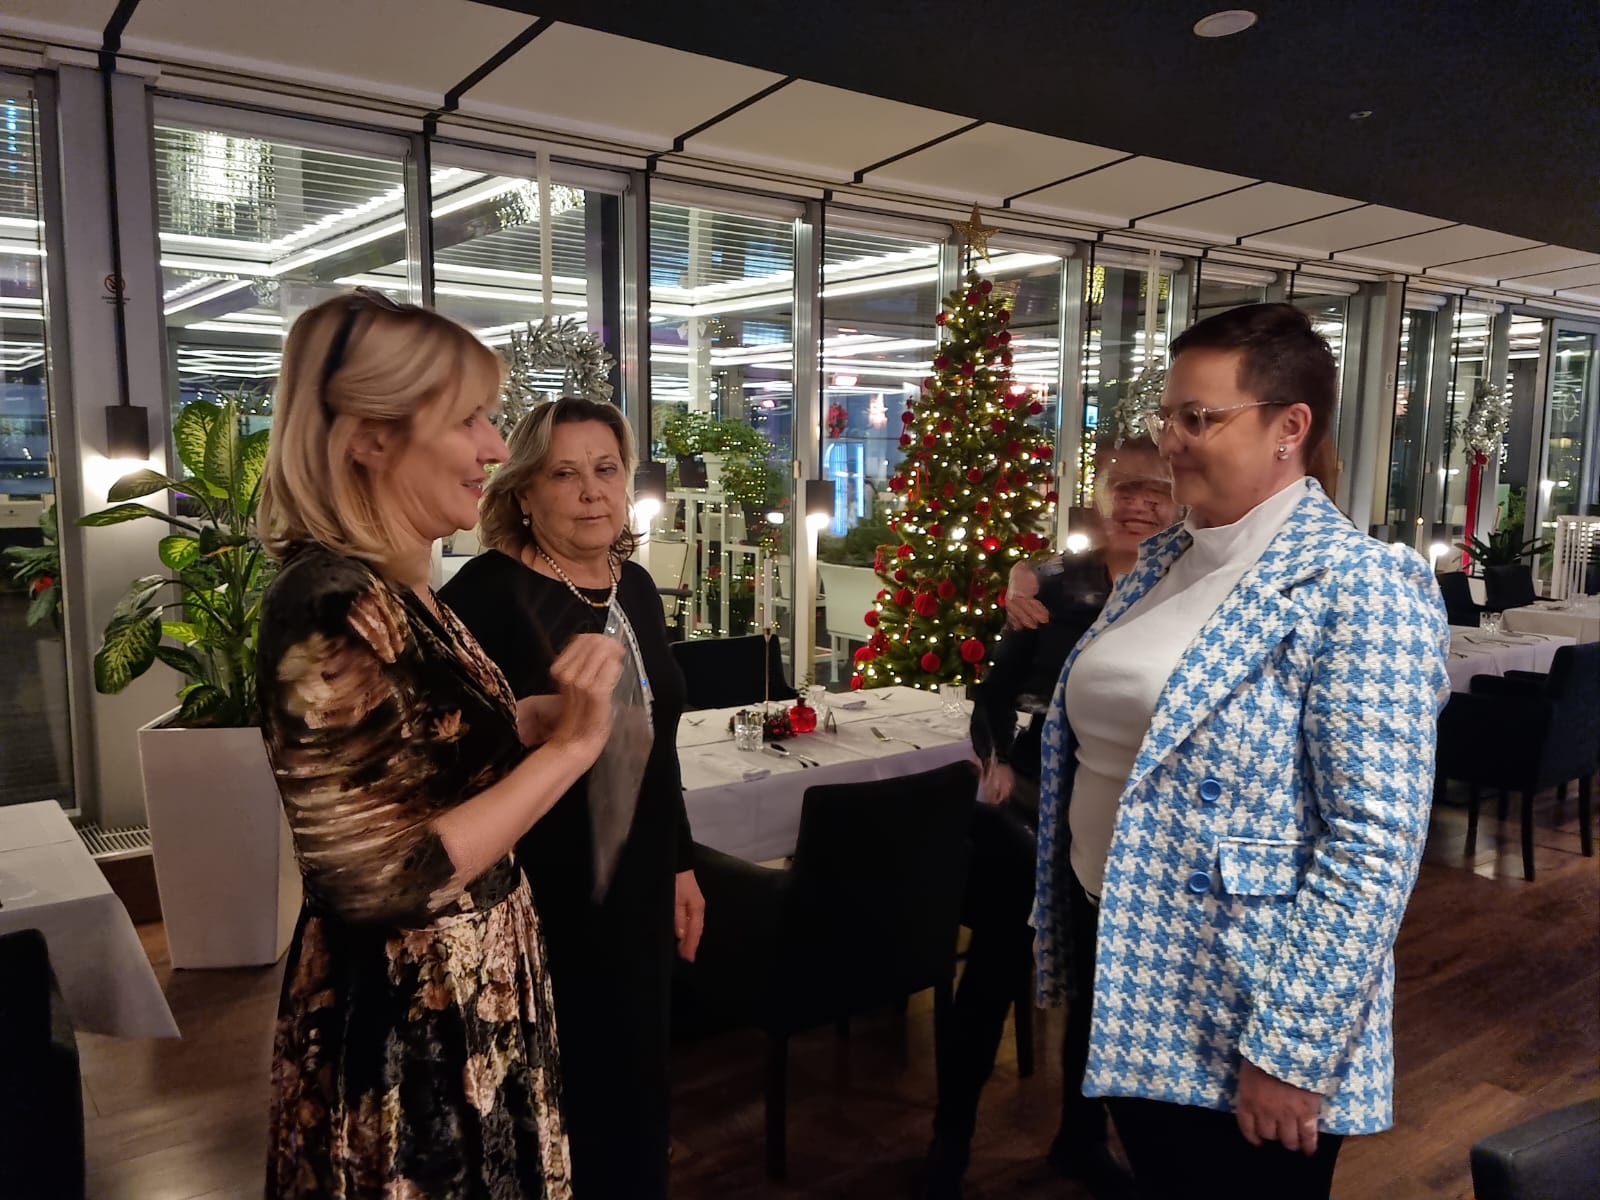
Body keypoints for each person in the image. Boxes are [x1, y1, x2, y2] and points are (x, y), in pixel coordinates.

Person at [1034, 303, 1451, 1200]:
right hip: (1129, 952)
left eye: (1199, 417)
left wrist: (1291, 1051)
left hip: (1245, 994)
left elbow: (1374, 842)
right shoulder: (1164, 561)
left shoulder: (1360, 584)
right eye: (1167, 416)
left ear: (1289, 427)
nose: (1171, 441)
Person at [255, 290, 625, 1199]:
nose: (495, 447)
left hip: (470, 990)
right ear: (372, 438)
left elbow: (425, 758)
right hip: (412, 1025)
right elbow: (378, 879)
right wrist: (570, 750)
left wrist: (531, 721)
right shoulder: (332, 603)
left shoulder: (402, 587)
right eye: (469, 419)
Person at [440, 397, 701, 1200]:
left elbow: (657, 742)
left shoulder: (639, 587)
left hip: (639, 882)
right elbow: (451, 759)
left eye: (606, 469)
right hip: (541, 890)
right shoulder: (483, 594)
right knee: (561, 1093)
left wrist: (681, 863)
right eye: (564, 473)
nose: (592, 491)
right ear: (523, 491)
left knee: (639, 1084)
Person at [924, 440, 1176, 1200]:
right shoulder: (1054, 586)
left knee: (1101, 988)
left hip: (1123, 812)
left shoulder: (1185, 586)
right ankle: (949, 1144)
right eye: (1122, 488)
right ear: (1098, 497)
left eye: (1155, 491)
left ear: (1181, 503)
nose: (1136, 504)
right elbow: (993, 696)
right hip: (1029, 812)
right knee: (991, 977)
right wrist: (996, 759)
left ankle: (1081, 1137)